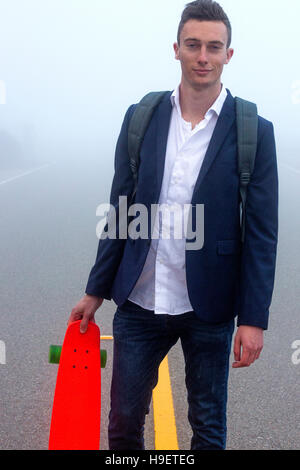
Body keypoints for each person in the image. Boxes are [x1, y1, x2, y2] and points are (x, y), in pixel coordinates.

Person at [68, 0, 278, 450]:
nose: (203, 56)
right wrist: (95, 289)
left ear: (228, 54)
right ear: (177, 49)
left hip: (211, 307)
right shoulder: (141, 119)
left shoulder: (254, 131)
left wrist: (253, 319)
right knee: (123, 424)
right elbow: (121, 207)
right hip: (141, 300)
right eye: (194, 45)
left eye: (214, 47)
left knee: (207, 426)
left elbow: (261, 233)